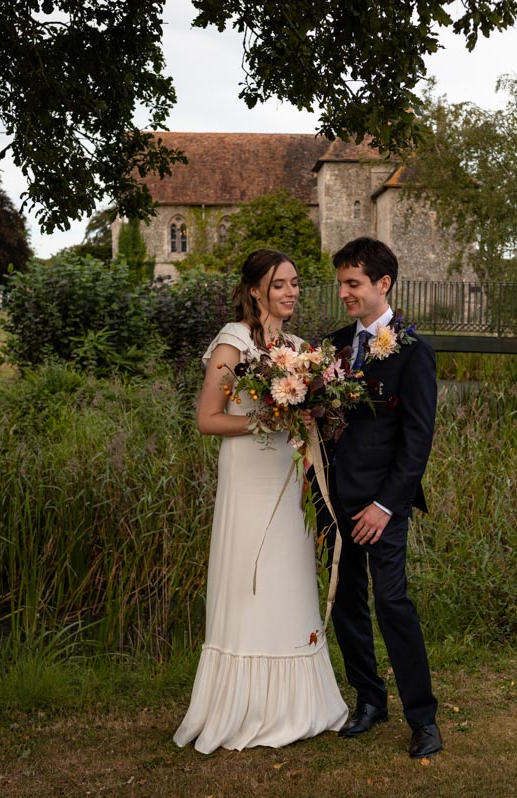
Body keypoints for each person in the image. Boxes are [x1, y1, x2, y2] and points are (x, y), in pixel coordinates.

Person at [173, 249, 347, 753]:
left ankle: (298, 705)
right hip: (248, 476)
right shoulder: (234, 342)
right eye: (279, 285)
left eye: (294, 283)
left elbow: (305, 418)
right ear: (255, 290)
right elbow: (208, 418)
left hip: (285, 476)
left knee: (287, 578)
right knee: (250, 582)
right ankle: (244, 706)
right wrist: (261, 421)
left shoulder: (298, 348)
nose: (291, 292)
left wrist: (310, 422)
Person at [321, 237, 442, 759]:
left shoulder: (413, 350)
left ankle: (423, 719)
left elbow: (417, 440)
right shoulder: (330, 347)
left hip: (383, 505)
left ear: (383, 284)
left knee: (392, 602)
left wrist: (386, 505)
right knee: (345, 600)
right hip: (333, 500)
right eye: (342, 283)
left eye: (353, 283)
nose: (344, 292)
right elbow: (325, 424)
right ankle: (369, 701)